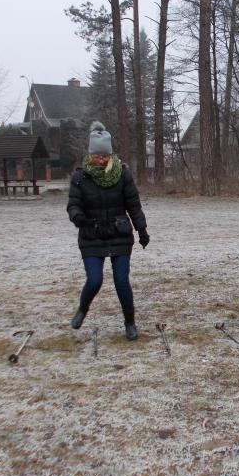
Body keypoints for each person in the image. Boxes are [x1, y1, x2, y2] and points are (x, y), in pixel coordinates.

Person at [67, 122, 149, 340]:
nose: (102, 160)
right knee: (95, 280)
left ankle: (130, 323)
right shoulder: (80, 178)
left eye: (105, 156)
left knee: (121, 281)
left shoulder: (123, 174)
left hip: (119, 234)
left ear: (110, 154)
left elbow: (133, 205)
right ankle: (82, 309)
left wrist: (142, 230)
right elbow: (73, 204)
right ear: (90, 155)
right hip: (91, 235)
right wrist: (77, 215)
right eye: (97, 156)